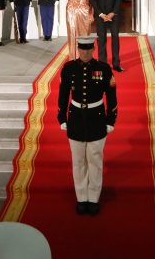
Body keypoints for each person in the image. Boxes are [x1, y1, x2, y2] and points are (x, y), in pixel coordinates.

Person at [57, 35, 117, 216]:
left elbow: (112, 96)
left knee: (95, 161)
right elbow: (63, 94)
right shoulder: (68, 68)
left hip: (96, 118)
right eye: (82, 49)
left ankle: (94, 198)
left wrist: (110, 120)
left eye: (88, 49)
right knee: (78, 162)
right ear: (78, 49)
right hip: (75, 118)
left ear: (93, 49)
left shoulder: (104, 69)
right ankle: (81, 197)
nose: (85, 52)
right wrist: (62, 117)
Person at [89, 0, 124, 72]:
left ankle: (116, 64)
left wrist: (113, 12)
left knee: (115, 38)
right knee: (101, 39)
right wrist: (100, 14)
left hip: (114, 14)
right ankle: (102, 64)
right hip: (101, 16)